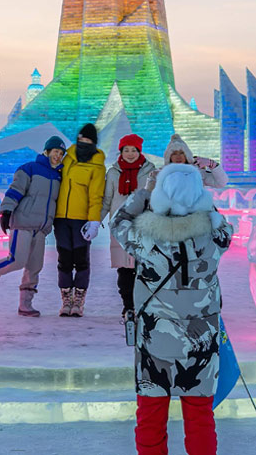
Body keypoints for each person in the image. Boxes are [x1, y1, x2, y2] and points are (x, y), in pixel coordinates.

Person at [111, 162, 233, 455]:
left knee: (150, 421)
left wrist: (145, 193)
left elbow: (117, 221)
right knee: (199, 423)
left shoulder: (144, 237)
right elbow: (223, 224)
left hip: (154, 345)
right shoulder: (213, 235)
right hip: (200, 345)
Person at [0, 135, 65, 317]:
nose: (57, 156)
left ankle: (25, 305)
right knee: (16, 260)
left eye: (61, 153)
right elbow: (15, 190)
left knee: (35, 267)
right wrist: (6, 211)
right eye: (55, 152)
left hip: (41, 229)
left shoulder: (59, 176)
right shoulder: (30, 168)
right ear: (47, 151)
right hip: (23, 223)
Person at [54, 122, 106, 317]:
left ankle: (79, 301)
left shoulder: (97, 166)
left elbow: (96, 196)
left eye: (88, 140)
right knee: (64, 260)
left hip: (81, 220)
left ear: (93, 143)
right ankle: (66, 300)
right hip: (61, 219)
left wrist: (94, 221)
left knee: (81, 261)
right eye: (81, 139)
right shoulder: (67, 159)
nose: (83, 143)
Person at [102, 133, 156, 320]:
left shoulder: (151, 171)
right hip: (121, 227)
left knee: (145, 267)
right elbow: (107, 200)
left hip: (144, 226)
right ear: (121, 151)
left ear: (139, 151)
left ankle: (144, 305)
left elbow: (156, 199)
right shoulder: (113, 172)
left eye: (134, 150)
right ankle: (128, 307)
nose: (130, 154)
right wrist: (95, 220)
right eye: (126, 150)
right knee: (124, 269)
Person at [148, 134, 228, 191]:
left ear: (187, 155)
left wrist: (212, 164)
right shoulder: (158, 174)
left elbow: (220, 183)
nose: (178, 156)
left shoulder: (198, 171)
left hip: (196, 212)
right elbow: (149, 198)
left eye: (181, 153)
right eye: (174, 153)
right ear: (169, 157)